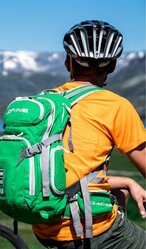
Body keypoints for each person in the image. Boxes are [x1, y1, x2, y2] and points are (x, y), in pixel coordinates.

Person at [32, 20, 146, 249]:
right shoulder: (115, 106)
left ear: (67, 63)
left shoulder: (44, 102)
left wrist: (127, 181)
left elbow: (67, 175)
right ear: (112, 66)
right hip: (88, 228)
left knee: (121, 192)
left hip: (43, 223)